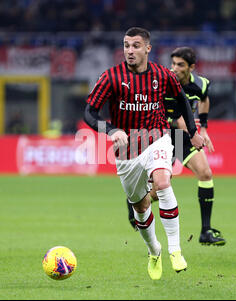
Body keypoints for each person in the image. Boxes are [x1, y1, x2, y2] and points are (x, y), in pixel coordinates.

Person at [84, 27, 205, 280]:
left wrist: (192, 130)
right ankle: (154, 251)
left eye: (136, 46)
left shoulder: (162, 75)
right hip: (126, 152)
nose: (130, 50)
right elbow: (89, 113)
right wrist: (111, 129)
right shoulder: (111, 77)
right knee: (140, 206)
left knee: (162, 181)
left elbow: (182, 100)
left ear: (147, 48)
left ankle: (175, 249)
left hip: (157, 139)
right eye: (126, 45)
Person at [126, 47, 226, 246]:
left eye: (180, 65)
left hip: (184, 137)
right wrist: (178, 121)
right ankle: (135, 202)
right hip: (161, 135)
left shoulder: (200, 84)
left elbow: (204, 98)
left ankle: (205, 231)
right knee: (157, 191)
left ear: (191, 68)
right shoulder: (163, 84)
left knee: (205, 174)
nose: (174, 68)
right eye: (173, 64)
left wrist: (203, 128)